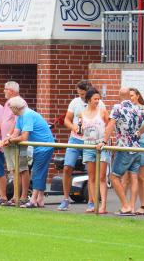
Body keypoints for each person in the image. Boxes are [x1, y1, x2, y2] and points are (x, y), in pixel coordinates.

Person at [97, 87, 144, 216]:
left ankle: (126, 206)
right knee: (133, 177)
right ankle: (131, 207)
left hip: (124, 147)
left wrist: (104, 141)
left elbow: (110, 125)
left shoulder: (118, 108)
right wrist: (141, 131)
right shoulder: (139, 108)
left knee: (114, 177)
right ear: (129, 95)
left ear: (120, 96)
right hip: (137, 147)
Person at [0, 97, 55, 209]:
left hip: (45, 146)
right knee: (40, 172)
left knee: (37, 172)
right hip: (38, 146)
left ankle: (33, 200)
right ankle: (40, 199)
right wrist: (7, 139)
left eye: (11, 108)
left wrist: (10, 140)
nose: (10, 110)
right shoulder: (20, 116)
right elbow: (16, 133)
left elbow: (24, 137)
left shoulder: (27, 115)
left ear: (15, 108)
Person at [58, 80, 95, 211]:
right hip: (75, 139)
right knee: (67, 167)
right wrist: (73, 127)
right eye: (79, 94)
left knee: (91, 171)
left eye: (83, 94)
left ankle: (91, 201)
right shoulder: (75, 102)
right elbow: (67, 119)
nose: (81, 96)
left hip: (89, 140)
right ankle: (65, 199)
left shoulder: (96, 102)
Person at [79, 88, 110, 214]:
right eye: (95, 99)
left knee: (102, 176)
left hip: (101, 145)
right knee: (91, 177)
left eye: (98, 99)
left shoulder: (102, 112)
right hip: (88, 145)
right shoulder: (82, 113)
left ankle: (103, 205)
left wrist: (106, 141)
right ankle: (92, 203)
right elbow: (80, 129)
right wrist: (78, 129)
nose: (97, 101)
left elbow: (109, 126)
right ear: (89, 100)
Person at [0, 82, 30, 206]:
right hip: (9, 141)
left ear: (11, 91)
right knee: (13, 169)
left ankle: (23, 196)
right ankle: (15, 196)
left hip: (17, 142)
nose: (4, 91)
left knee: (22, 168)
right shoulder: (9, 103)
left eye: (5, 89)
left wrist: (10, 137)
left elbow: (16, 123)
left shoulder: (19, 104)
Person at [129, 87, 144, 216]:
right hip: (132, 145)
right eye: (129, 95)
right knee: (136, 176)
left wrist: (141, 132)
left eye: (132, 95)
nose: (130, 97)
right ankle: (140, 204)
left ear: (138, 96)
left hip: (143, 143)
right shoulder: (127, 108)